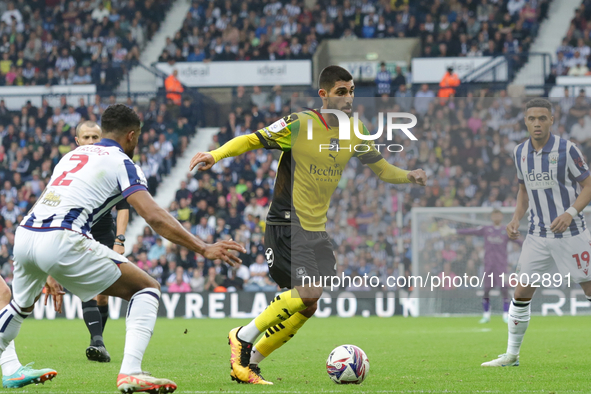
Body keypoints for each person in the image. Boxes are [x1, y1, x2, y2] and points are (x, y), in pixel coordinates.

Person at [189, 65, 427, 384]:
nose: (348, 98)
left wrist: (408, 175)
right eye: (341, 92)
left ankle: (251, 362)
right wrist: (216, 155)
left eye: (352, 91)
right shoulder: (300, 124)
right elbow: (251, 140)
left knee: (309, 305)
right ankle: (242, 337)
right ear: (324, 94)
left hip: (316, 229)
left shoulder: (355, 130)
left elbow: (382, 169)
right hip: (287, 221)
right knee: (307, 292)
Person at [7, 104, 245, 392]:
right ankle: (131, 371)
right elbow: (153, 215)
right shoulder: (122, 161)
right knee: (147, 288)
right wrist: (203, 247)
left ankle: (8, 369)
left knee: (20, 307)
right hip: (62, 238)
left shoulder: (71, 156)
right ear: (131, 136)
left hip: (26, 234)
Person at [482, 98, 591, 367]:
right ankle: (512, 355)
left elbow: (588, 186)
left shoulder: (568, 149)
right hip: (538, 235)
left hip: (572, 233)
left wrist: (570, 213)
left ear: (551, 120)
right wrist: (515, 218)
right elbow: (523, 190)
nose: (537, 123)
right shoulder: (520, 152)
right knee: (520, 294)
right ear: (525, 121)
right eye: (532, 118)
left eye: (543, 118)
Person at [75, 121, 129, 363]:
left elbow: (123, 206)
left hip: (105, 235)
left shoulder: (112, 166)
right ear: (77, 141)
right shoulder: (69, 167)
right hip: (78, 233)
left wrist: (120, 239)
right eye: (85, 137)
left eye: (95, 137)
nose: (90, 142)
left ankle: (97, 340)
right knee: (87, 287)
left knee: (103, 294)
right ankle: (98, 341)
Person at [441, 209, 522, 323]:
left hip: (501, 266)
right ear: (491, 217)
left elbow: (519, 241)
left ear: (502, 216)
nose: (496, 217)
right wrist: (453, 231)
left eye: (498, 215)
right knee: (486, 290)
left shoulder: (506, 230)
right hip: (488, 266)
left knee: (504, 289)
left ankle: (506, 314)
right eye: (494, 215)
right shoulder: (486, 229)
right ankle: (486, 315)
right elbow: (470, 231)